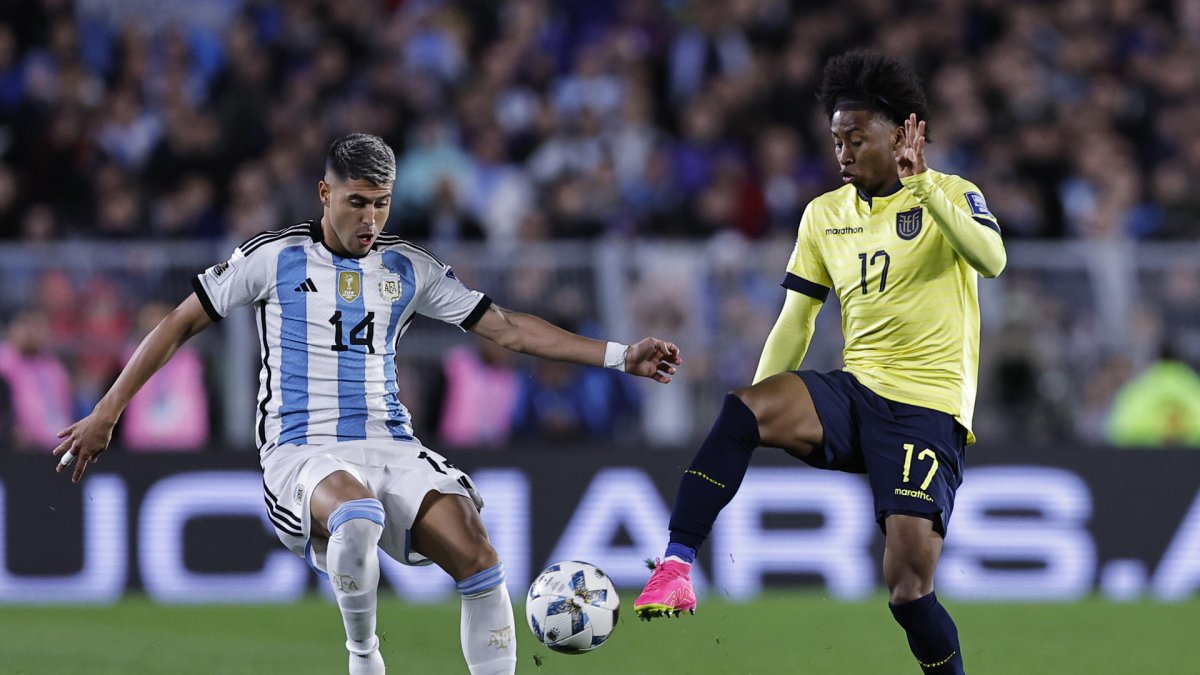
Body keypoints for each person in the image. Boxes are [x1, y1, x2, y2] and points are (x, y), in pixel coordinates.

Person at [53, 133, 682, 675]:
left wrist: (620, 355)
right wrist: (108, 411)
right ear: (325, 195)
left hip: (390, 442)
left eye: (380, 204)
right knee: (356, 516)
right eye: (357, 202)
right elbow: (178, 323)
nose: (370, 220)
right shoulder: (272, 258)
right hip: (302, 449)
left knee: (478, 554)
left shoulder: (407, 269)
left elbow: (509, 328)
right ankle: (365, 656)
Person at [634, 51, 1006, 675]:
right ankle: (675, 566)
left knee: (907, 589)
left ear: (899, 134)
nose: (843, 153)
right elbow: (796, 320)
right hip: (857, 392)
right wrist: (755, 409)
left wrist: (924, 187)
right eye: (836, 141)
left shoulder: (950, 195)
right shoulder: (823, 215)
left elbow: (991, 259)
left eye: (856, 139)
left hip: (927, 410)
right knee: (743, 408)